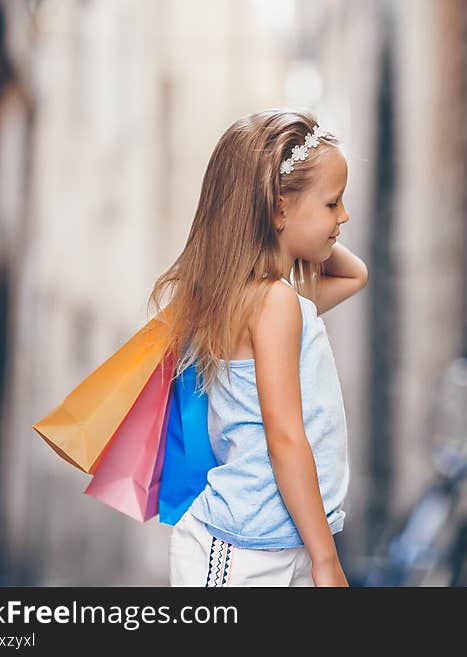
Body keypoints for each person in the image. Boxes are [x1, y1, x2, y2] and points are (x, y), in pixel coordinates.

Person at [151, 109, 367, 587]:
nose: (344, 216)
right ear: (277, 208)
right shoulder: (272, 304)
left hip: (274, 541)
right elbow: (285, 439)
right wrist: (327, 559)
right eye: (333, 204)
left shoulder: (267, 299)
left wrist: (302, 225)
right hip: (245, 552)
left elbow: (355, 275)